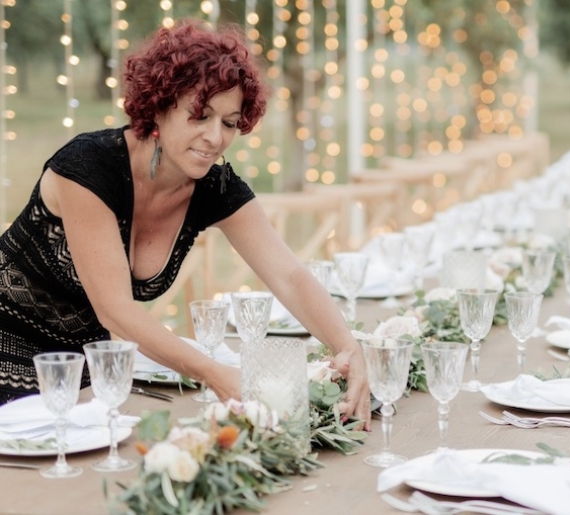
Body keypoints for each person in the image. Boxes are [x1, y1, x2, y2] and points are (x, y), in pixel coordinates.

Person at [0, 20, 371, 427]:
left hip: (83, 382)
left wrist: (348, 346)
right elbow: (115, 311)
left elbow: (289, 275)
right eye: (200, 115)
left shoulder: (215, 187)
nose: (215, 137)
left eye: (229, 123)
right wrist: (214, 372)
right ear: (159, 105)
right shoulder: (88, 167)